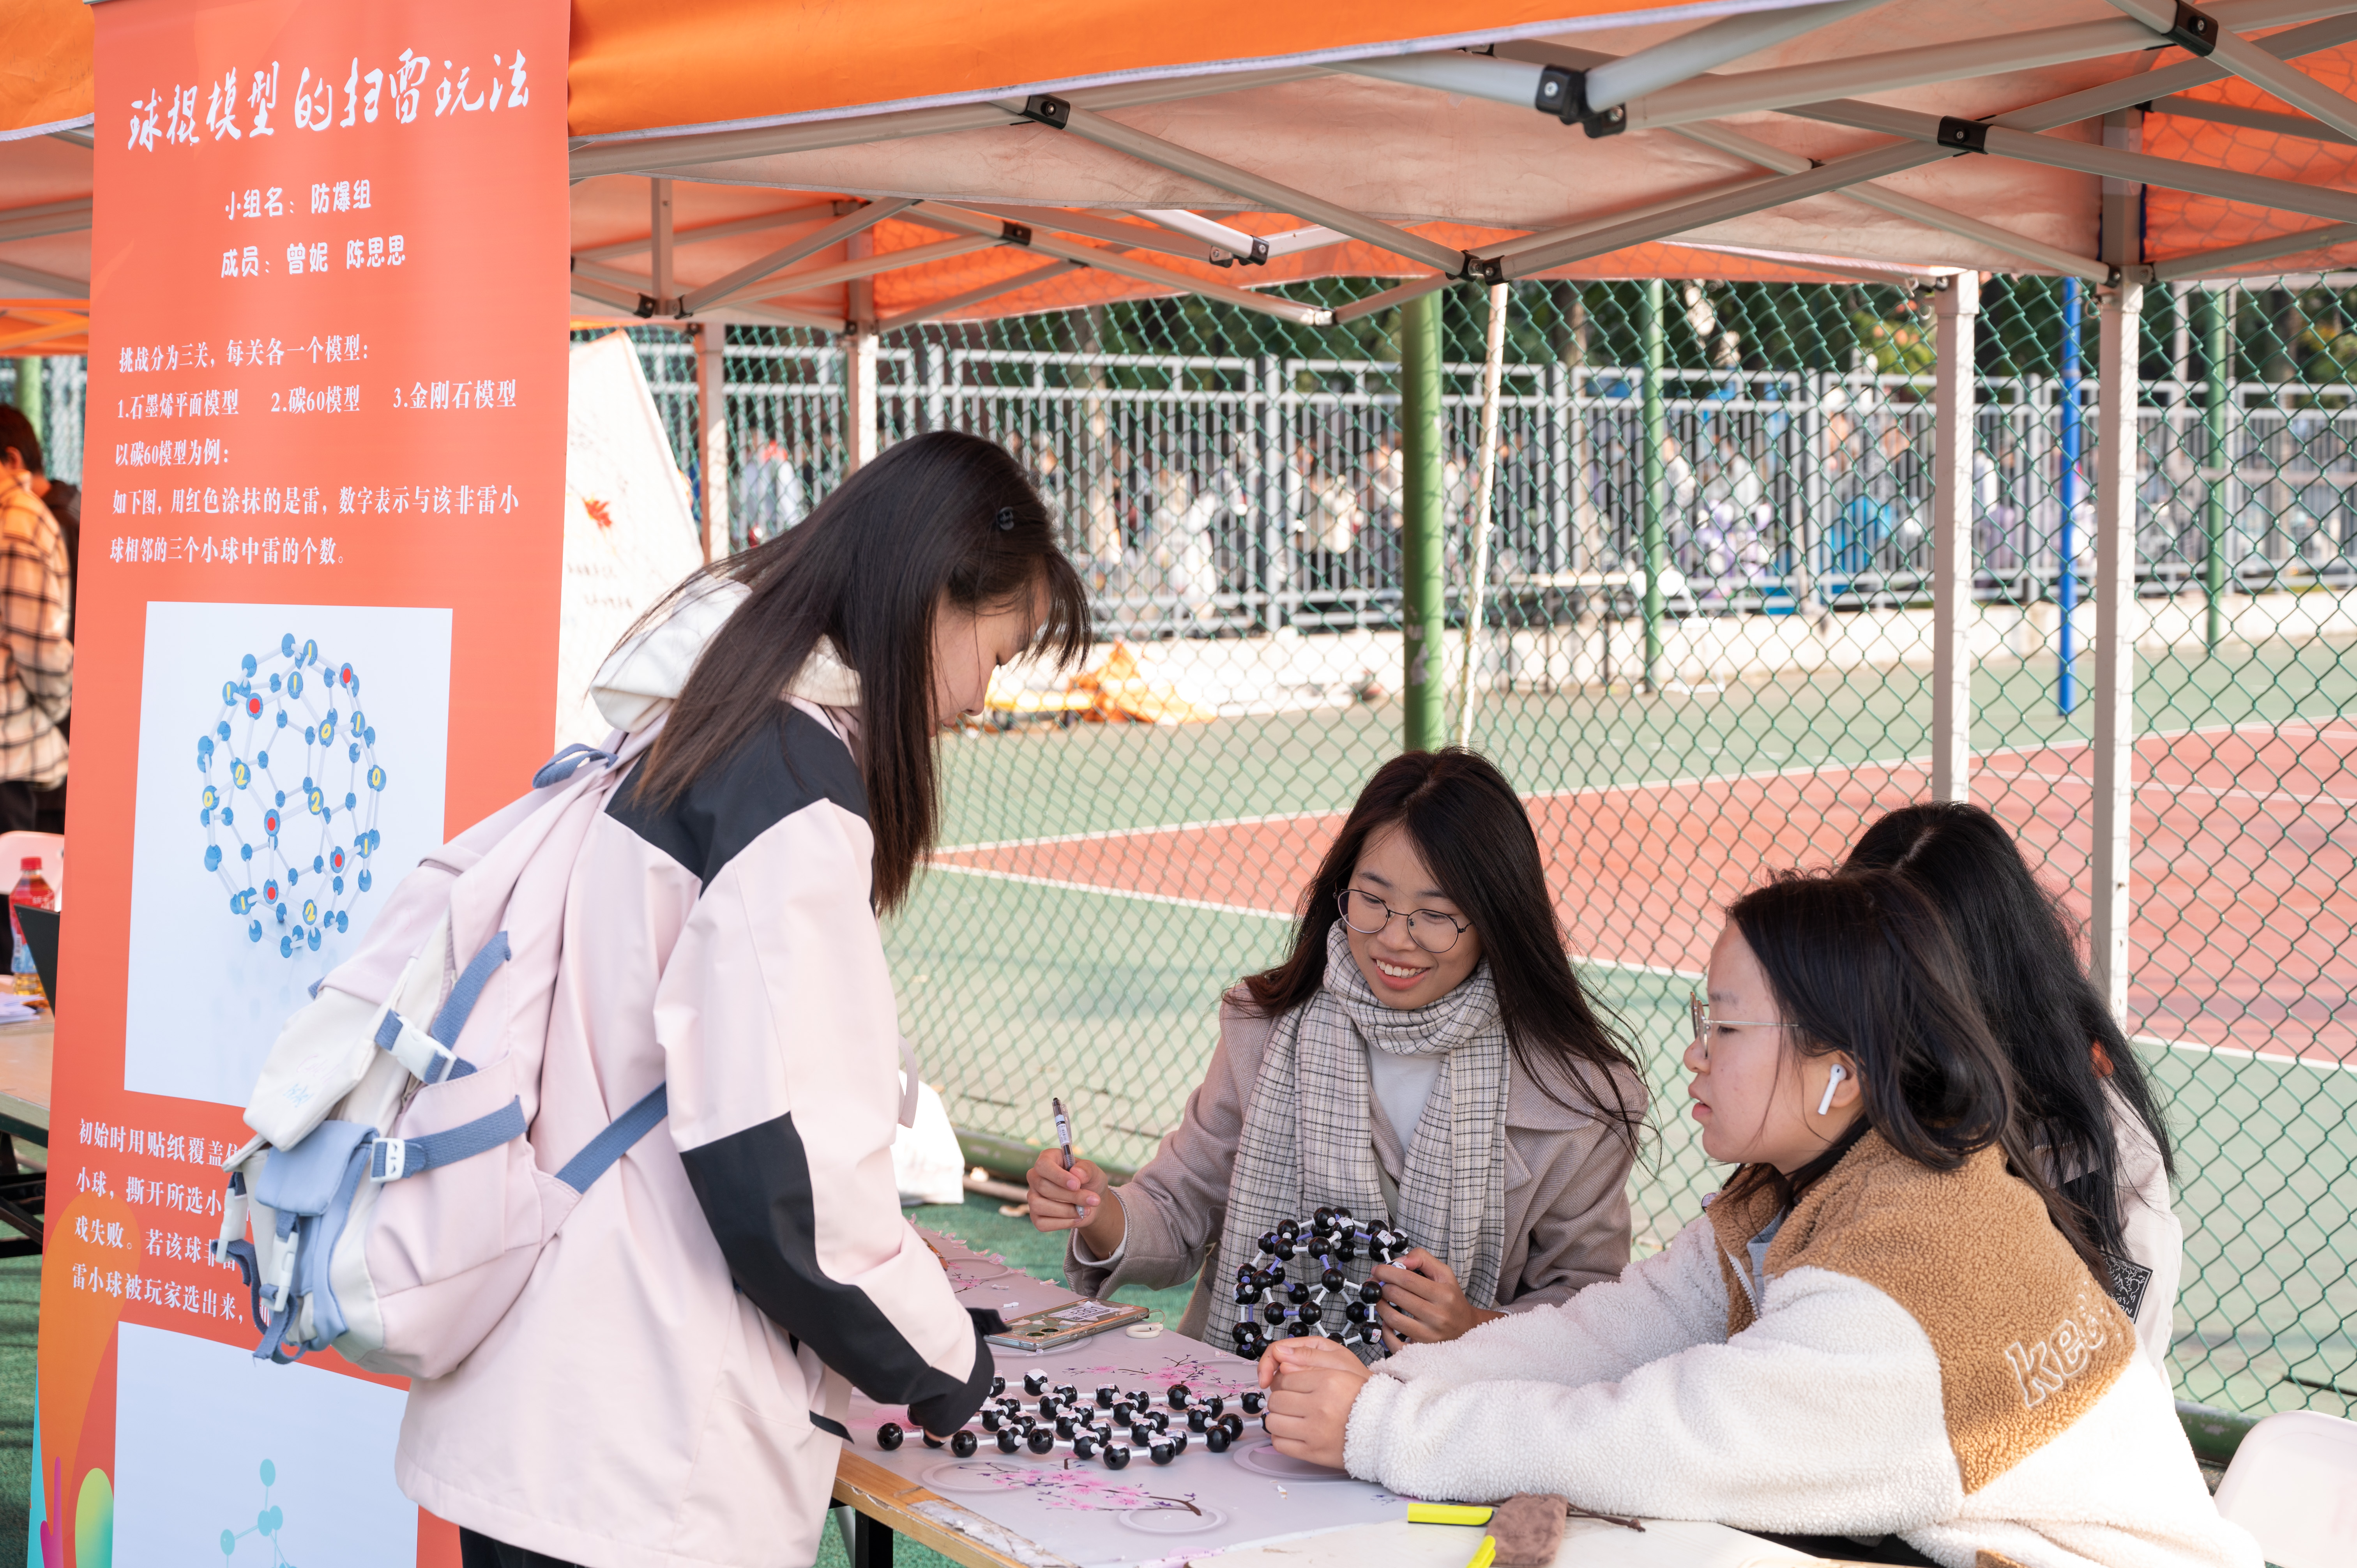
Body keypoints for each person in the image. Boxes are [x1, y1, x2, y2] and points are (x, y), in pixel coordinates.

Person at [398, 431, 1092, 1568]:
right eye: (996, 654)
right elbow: (785, 1172)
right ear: (933, 602)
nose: (976, 699)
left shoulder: (688, 728)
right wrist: (952, 1367)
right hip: (640, 1443)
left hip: (551, 1401)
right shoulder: (788, 788)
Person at [1258, 871, 2255, 1568]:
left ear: (1838, 1070)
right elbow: (1615, 1327)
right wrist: (1387, 1379)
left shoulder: (1903, 1286)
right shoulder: (1825, 1182)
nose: (1695, 1053)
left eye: (1726, 1026)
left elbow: (1667, 1438)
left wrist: (1380, 1425)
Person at [1028, 747, 1647, 1356]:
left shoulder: (1579, 1096)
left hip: (1440, 1424)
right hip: (1252, 1392)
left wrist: (1472, 1328)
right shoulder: (1268, 1025)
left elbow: (1589, 1301)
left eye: (1436, 915)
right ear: (1339, 890)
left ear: (1497, 919)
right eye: (1371, 901)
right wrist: (1095, 1207)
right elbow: (1181, 1204)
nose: (1394, 940)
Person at [1842, 801, 2180, 1370]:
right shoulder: (1836, 1073)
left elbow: (2111, 1379)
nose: (1876, 1009)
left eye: (1905, 980)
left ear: (1983, 979)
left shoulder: (2102, 1157)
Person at [0, 406, 71, 836]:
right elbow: (40, 647)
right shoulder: (21, 519)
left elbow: (38, 645)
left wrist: (57, 706)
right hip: (13, 754)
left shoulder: (17, 520)